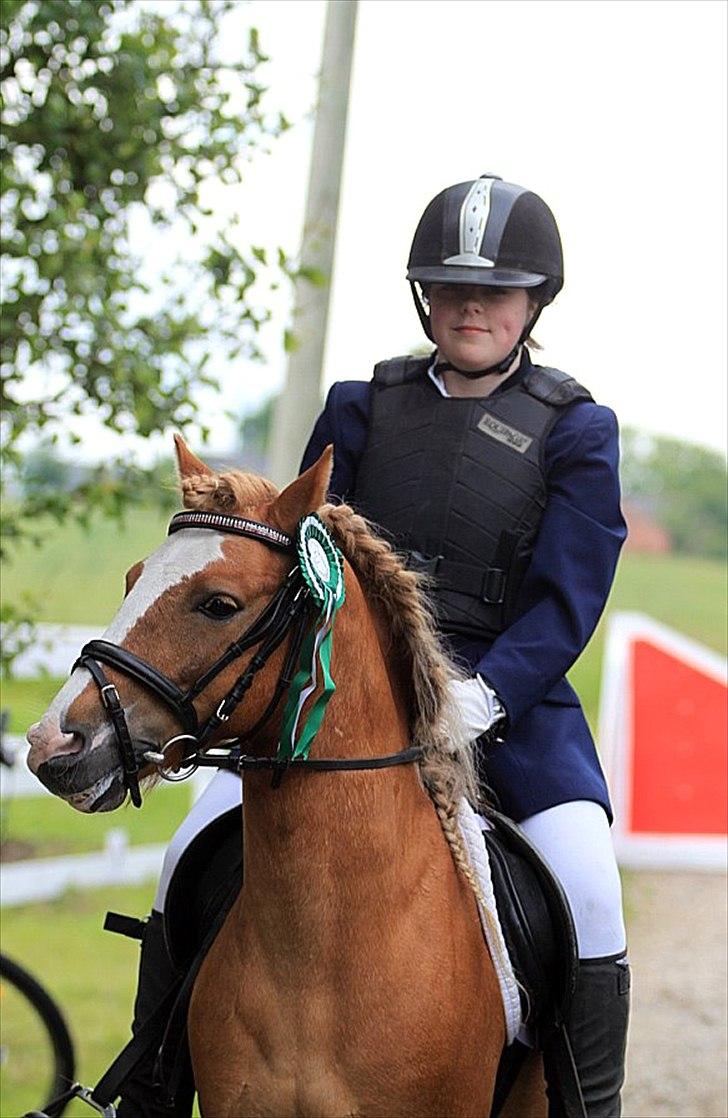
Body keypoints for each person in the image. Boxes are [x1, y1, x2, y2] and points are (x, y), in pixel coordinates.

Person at [119, 174, 629, 1118]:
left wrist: (476, 699)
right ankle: (147, 1088)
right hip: (335, 695)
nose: (471, 305)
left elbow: (567, 604)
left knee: (590, 888)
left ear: (534, 302)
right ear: (423, 295)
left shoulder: (578, 430)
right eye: (450, 286)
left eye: (498, 289)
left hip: (507, 710)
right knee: (188, 847)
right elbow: (299, 556)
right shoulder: (360, 408)